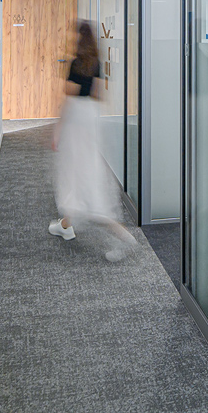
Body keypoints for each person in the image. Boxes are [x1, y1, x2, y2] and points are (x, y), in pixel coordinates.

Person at [48, 21, 137, 261]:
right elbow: (99, 95)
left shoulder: (75, 63)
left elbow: (68, 99)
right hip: (90, 120)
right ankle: (66, 225)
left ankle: (124, 238)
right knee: (81, 174)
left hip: (76, 122)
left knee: (78, 179)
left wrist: (57, 130)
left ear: (78, 38)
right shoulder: (96, 63)